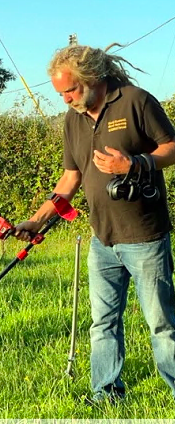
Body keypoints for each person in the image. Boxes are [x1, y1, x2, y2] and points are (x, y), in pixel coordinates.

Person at [15, 44, 175, 401]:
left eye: (69, 90)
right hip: (102, 239)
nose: (65, 99)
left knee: (161, 324)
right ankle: (106, 391)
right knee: (102, 323)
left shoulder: (135, 101)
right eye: (60, 93)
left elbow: (172, 147)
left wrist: (136, 164)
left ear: (92, 78)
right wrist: (37, 220)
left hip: (145, 237)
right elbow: (69, 179)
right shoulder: (73, 120)